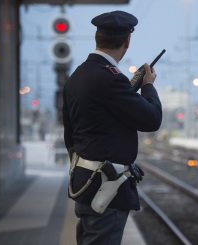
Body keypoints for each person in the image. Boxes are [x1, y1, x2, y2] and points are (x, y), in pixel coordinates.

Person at [62, 10, 162, 245]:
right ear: (127, 41)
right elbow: (151, 119)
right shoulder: (111, 79)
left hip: (84, 183)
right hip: (107, 187)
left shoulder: (77, 76)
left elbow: (70, 135)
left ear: (96, 35)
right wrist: (147, 86)